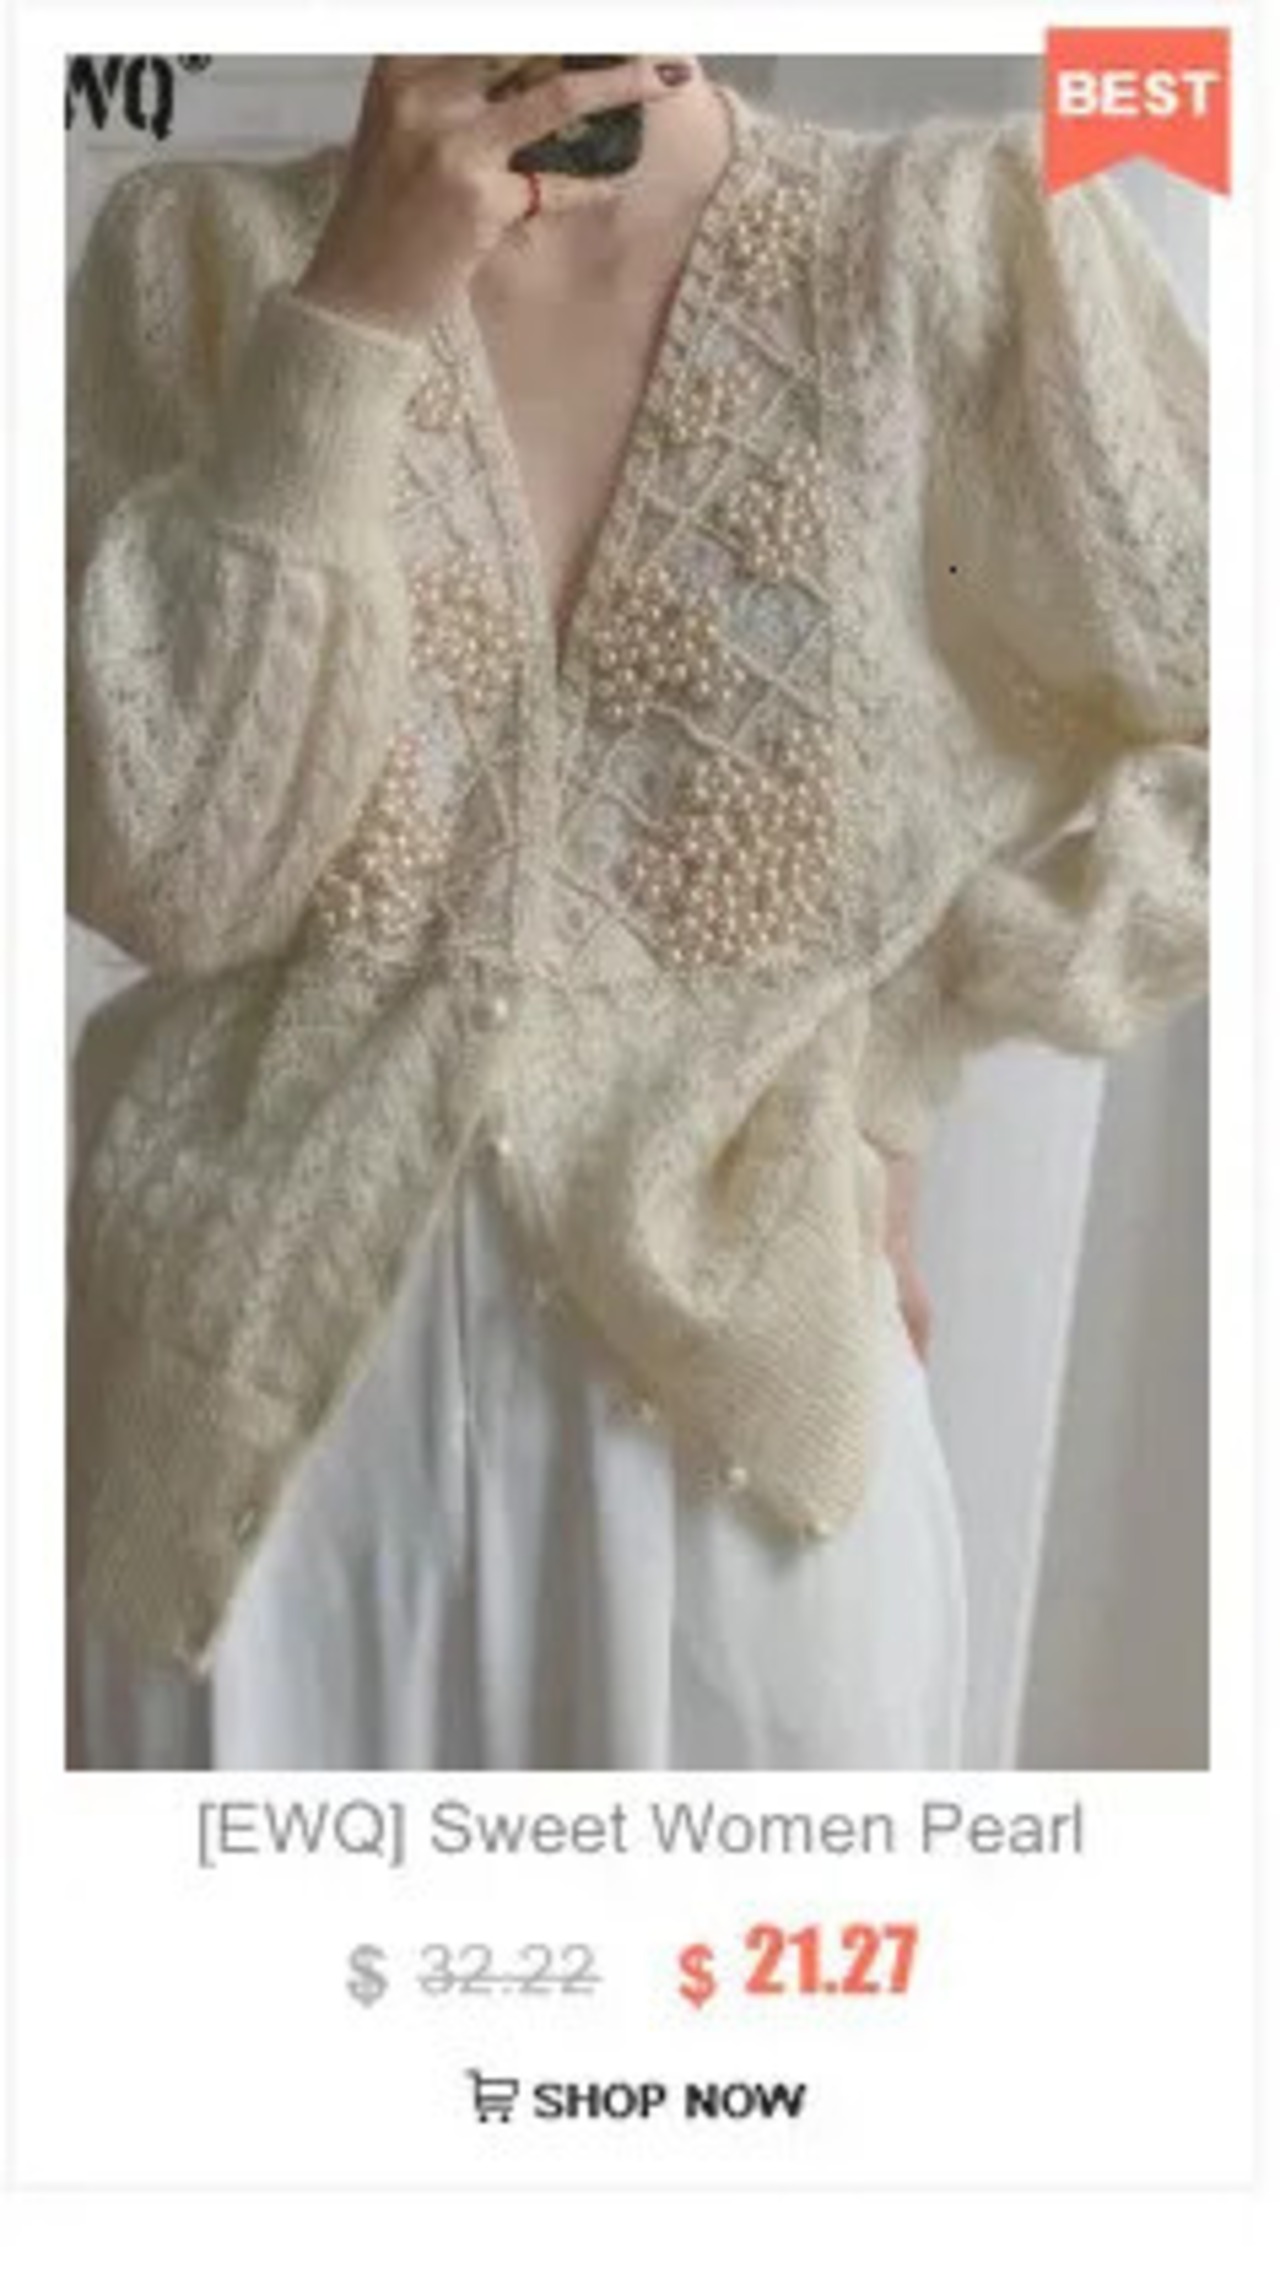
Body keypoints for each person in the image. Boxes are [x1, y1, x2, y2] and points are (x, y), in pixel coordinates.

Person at [64, 56, 1207, 1771]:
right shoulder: (195, 261)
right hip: (247, 1485)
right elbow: (174, 873)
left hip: (738, 1431)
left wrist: (901, 1040)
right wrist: (355, 310)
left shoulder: (953, 249)